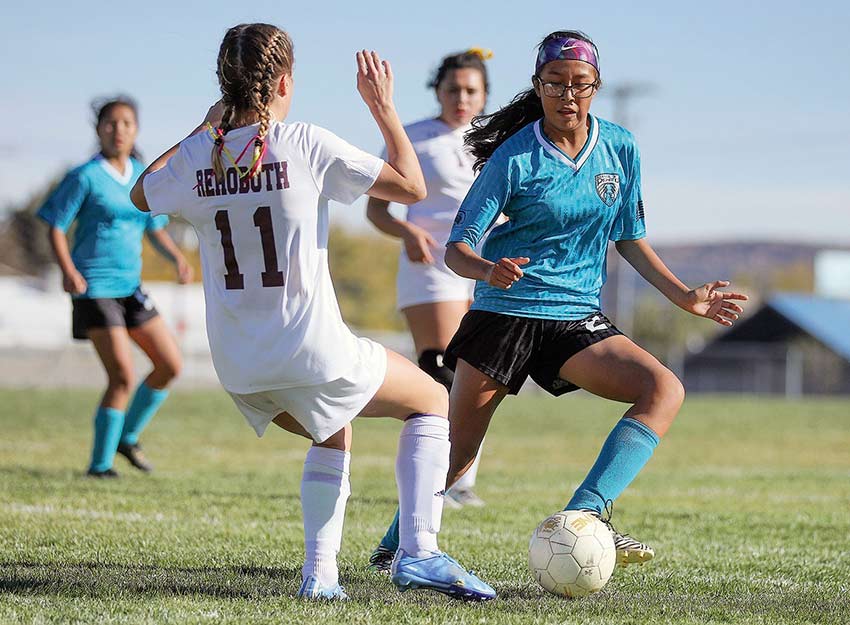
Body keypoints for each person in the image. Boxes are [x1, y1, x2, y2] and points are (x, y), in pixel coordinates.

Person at [130, 23, 495, 601]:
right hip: (308, 349)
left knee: (331, 427)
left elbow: (141, 193)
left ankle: (321, 577)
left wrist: (206, 127)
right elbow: (409, 185)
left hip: (239, 367)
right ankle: (419, 553)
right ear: (282, 82)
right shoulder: (302, 143)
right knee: (430, 401)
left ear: (225, 86)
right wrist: (383, 108)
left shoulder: (202, 151)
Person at [373, 30, 748, 568]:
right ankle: (393, 548)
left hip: (575, 318)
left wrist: (684, 296)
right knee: (457, 455)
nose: (567, 95)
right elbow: (457, 251)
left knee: (662, 389)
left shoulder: (619, 146)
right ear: (538, 86)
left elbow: (629, 237)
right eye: (555, 84)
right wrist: (488, 270)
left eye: (579, 84)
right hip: (505, 315)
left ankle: (585, 518)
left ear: (595, 87)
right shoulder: (513, 156)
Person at [366, 49, 491, 531]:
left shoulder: (500, 139)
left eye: (471, 90)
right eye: (453, 89)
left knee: (478, 372)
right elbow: (377, 212)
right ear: (437, 90)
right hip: (430, 266)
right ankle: (441, 480)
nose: (461, 98)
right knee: (442, 369)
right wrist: (407, 232)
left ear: (484, 95)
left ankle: (460, 480)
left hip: (484, 266)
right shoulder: (413, 137)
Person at [38, 96, 192, 478]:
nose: (118, 130)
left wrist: (177, 258)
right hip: (94, 288)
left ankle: (128, 436)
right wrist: (68, 269)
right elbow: (56, 226)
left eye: (125, 123)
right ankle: (100, 465)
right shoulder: (84, 176)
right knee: (122, 375)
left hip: (131, 288)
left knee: (170, 364)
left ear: (135, 130)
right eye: (110, 123)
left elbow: (154, 229)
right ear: (98, 129)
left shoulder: (141, 174)